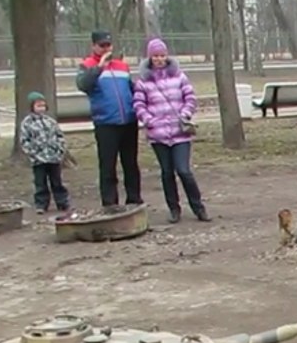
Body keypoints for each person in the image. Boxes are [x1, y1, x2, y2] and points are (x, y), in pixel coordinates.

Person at [132, 37, 209, 223]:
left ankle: (198, 207)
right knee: (167, 172)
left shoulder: (179, 76)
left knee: (184, 171)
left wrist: (185, 113)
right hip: (158, 134)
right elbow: (138, 104)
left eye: (162, 55)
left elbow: (190, 97)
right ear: (150, 58)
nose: (159, 59)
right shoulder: (143, 81)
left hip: (180, 132)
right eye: (155, 56)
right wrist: (148, 119)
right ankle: (174, 208)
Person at [75, 29, 143, 208]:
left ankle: (134, 199)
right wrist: (100, 67)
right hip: (106, 123)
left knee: (131, 163)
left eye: (108, 45)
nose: (106, 49)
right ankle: (110, 202)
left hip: (128, 121)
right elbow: (83, 85)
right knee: (108, 165)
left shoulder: (122, 66)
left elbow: (131, 88)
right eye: (102, 46)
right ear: (94, 46)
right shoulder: (87, 65)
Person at [18, 91, 71, 214]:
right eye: (38, 105)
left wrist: (60, 149)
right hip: (38, 159)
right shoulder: (27, 123)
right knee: (40, 183)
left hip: (54, 157)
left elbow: (59, 136)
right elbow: (24, 140)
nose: (41, 108)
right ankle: (41, 205)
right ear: (32, 107)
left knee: (57, 182)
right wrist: (33, 153)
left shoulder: (50, 121)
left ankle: (63, 203)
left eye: (43, 105)